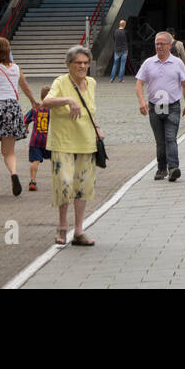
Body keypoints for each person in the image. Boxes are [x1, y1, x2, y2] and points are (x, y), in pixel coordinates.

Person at [41, 46, 102, 246]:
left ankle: (78, 230)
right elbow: (46, 102)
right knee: (64, 184)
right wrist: (68, 100)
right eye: (78, 63)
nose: (82, 66)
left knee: (82, 187)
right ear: (69, 65)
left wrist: (97, 129)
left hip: (86, 141)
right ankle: (61, 226)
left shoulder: (91, 83)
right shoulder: (61, 82)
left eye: (85, 63)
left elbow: (90, 110)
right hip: (63, 141)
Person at [0, 37, 39, 197]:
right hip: (13, 108)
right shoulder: (16, 68)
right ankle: (14, 173)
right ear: (8, 52)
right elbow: (25, 87)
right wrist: (34, 101)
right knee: (9, 152)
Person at [136, 32, 185, 182]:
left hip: (172, 106)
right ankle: (161, 168)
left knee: (170, 137)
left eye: (162, 44)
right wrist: (142, 101)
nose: (159, 46)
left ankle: (173, 167)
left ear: (169, 45)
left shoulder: (177, 63)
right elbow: (139, 83)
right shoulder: (148, 63)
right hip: (155, 107)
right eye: (156, 44)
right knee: (160, 141)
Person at [23, 85, 52, 192]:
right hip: (49, 140)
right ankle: (58, 179)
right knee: (55, 160)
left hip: (35, 139)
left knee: (35, 161)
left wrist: (26, 129)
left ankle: (33, 181)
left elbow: (25, 120)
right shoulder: (52, 110)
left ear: (41, 97)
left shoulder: (35, 109)